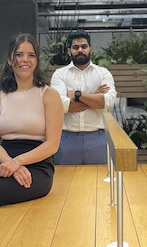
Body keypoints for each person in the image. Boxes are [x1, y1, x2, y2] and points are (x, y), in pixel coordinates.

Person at [0, 33, 63, 217]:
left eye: (31, 55)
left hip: (36, 167)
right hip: (3, 163)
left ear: (37, 60)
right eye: (19, 54)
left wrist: (18, 162)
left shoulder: (49, 95)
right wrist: (10, 163)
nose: (25, 60)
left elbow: (52, 144)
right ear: (9, 59)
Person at [50, 29, 117, 164]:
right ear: (69, 51)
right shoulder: (60, 74)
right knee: (65, 182)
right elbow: (61, 105)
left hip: (97, 138)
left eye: (84, 46)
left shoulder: (103, 73)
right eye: (76, 47)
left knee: (98, 182)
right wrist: (94, 98)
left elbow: (107, 102)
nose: (80, 50)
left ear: (90, 49)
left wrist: (76, 95)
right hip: (67, 138)